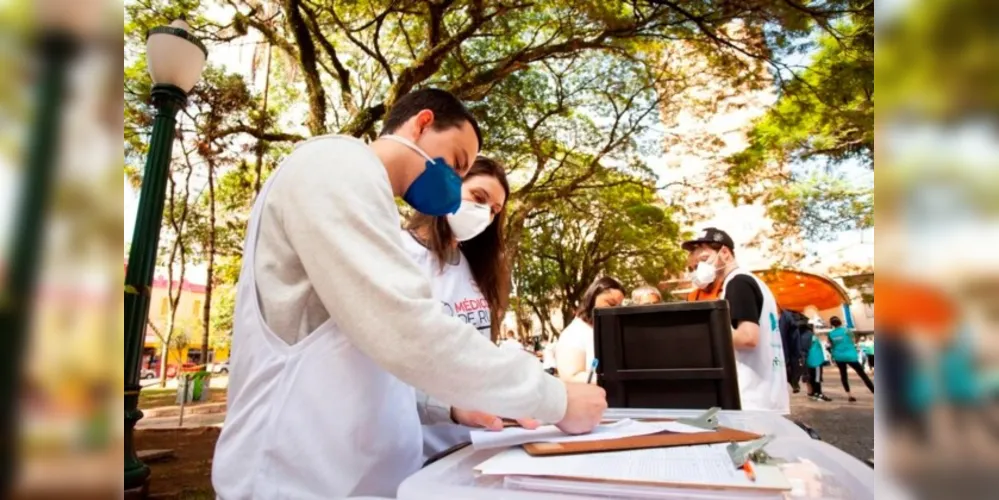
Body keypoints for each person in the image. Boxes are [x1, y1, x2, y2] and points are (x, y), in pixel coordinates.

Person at [212, 88, 607, 499]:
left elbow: (372, 360)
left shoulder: (368, 199)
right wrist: (556, 399)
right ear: (421, 123)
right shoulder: (334, 163)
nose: (452, 185)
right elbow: (406, 331)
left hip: (374, 481)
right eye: (456, 163)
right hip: (295, 482)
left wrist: (446, 406)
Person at [400, 156, 535, 459]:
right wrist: (450, 408)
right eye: (478, 197)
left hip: (473, 444)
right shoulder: (396, 253)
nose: (483, 214)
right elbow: (381, 367)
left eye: (494, 210)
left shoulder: (476, 268)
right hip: (413, 451)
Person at [682, 228, 790, 413]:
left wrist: (700, 332)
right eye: (695, 266)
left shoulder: (738, 282)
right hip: (764, 396)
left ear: (724, 253)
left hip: (749, 397)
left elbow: (747, 338)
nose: (700, 269)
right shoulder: (751, 281)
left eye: (704, 260)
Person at [555, 277, 626, 384]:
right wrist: (614, 377)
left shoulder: (605, 331)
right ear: (592, 298)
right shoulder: (574, 334)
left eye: (619, 306)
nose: (615, 309)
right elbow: (571, 377)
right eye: (610, 304)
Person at [828, 316, 874, 402]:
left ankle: (850, 395)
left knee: (843, 375)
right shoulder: (847, 331)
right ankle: (874, 391)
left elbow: (831, 345)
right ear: (840, 322)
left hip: (839, 356)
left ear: (832, 324)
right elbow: (853, 340)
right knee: (862, 375)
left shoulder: (830, 334)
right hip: (850, 356)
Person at [805, 332, 832, 401]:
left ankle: (813, 393)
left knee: (811, 378)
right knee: (817, 379)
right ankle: (818, 394)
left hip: (808, 361)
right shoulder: (813, 337)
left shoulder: (802, 336)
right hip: (816, 361)